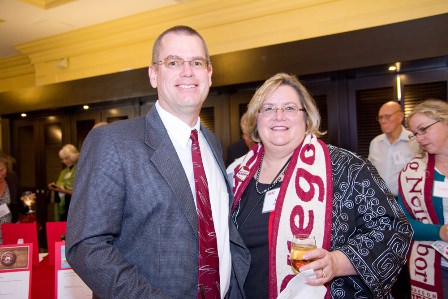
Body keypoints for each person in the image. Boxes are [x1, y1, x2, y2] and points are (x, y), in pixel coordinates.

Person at [65, 26, 249, 298]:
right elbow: (86, 246)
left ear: (209, 74)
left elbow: (220, 232)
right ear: (154, 74)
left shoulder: (211, 143)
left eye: (196, 62)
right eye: (173, 62)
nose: (187, 71)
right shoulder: (113, 142)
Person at [227, 73, 413, 298]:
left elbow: (394, 229)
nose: (278, 116)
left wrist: (337, 261)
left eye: (289, 108)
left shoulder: (347, 167)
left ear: (307, 117)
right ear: (256, 119)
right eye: (268, 108)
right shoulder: (234, 174)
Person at [398, 99, 448, 298]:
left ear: (445, 121)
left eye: (424, 129)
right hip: (437, 269)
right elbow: (404, 224)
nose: (419, 138)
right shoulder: (412, 173)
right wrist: (440, 232)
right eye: (415, 133)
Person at [368, 101, 419, 197]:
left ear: (400, 117)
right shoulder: (375, 143)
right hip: (380, 199)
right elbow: (370, 172)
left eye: (387, 116)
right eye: (380, 117)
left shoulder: (414, 141)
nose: (383, 121)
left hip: (406, 200)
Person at [0, 151, 31, 244]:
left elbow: (19, 204)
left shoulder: (12, 178)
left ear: (7, 168)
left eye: (1, 170)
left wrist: (26, 202)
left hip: (11, 231)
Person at [48, 144, 79, 221]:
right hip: (63, 204)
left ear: (73, 156)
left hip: (76, 204)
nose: (65, 161)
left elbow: (79, 192)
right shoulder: (63, 172)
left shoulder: (79, 170)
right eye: (63, 159)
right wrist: (54, 187)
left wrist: (62, 190)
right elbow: (59, 186)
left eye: (67, 158)